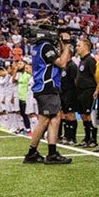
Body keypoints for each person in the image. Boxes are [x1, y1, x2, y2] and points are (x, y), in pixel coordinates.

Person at [23, 31, 72, 164]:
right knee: (44, 120)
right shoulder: (46, 46)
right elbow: (62, 63)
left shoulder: (38, 46)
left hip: (44, 86)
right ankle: (32, 153)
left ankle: (51, 152)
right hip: (47, 86)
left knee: (55, 117)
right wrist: (67, 44)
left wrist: (62, 45)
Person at [75, 39, 98, 147]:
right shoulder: (82, 60)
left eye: (79, 45)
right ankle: (87, 137)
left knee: (89, 115)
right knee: (83, 115)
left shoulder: (90, 60)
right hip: (80, 91)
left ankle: (93, 139)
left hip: (89, 90)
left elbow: (96, 76)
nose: (77, 47)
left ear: (85, 47)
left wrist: (97, 89)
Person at [59, 52, 79, 145]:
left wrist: (75, 93)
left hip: (70, 93)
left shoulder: (72, 66)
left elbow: (75, 80)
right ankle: (67, 136)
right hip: (63, 93)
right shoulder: (64, 66)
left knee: (71, 115)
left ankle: (73, 138)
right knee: (65, 115)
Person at [13, 61, 32, 134]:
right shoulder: (21, 74)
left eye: (20, 64)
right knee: (22, 113)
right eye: (18, 64)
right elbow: (13, 80)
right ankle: (25, 128)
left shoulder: (28, 75)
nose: (18, 65)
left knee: (28, 113)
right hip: (20, 96)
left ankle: (29, 129)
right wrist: (15, 70)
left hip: (26, 96)